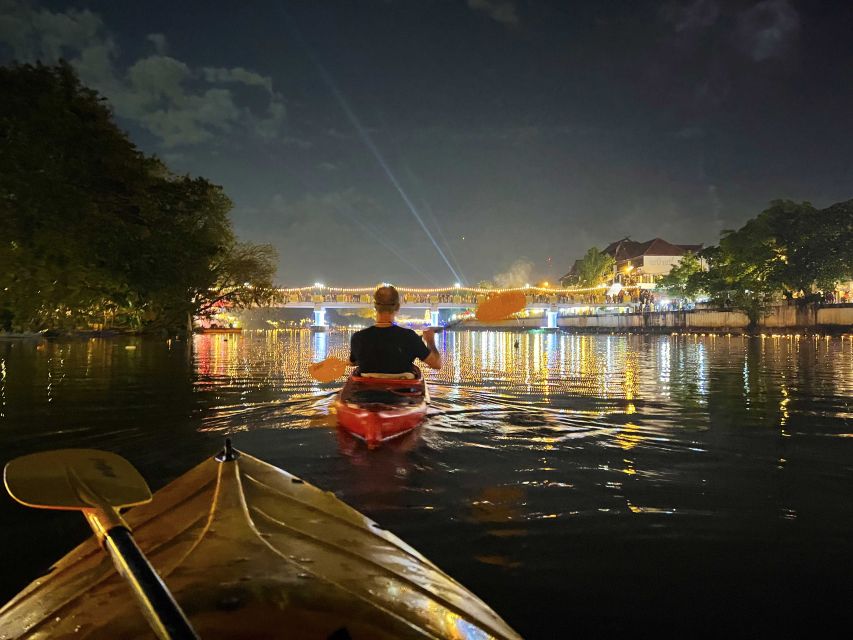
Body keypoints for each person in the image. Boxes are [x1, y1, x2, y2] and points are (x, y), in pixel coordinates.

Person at [349, 285, 442, 376]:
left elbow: (352, 362)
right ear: (397, 307)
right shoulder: (410, 337)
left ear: (375, 306)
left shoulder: (358, 338)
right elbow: (436, 364)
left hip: (366, 391)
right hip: (402, 391)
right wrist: (430, 341)